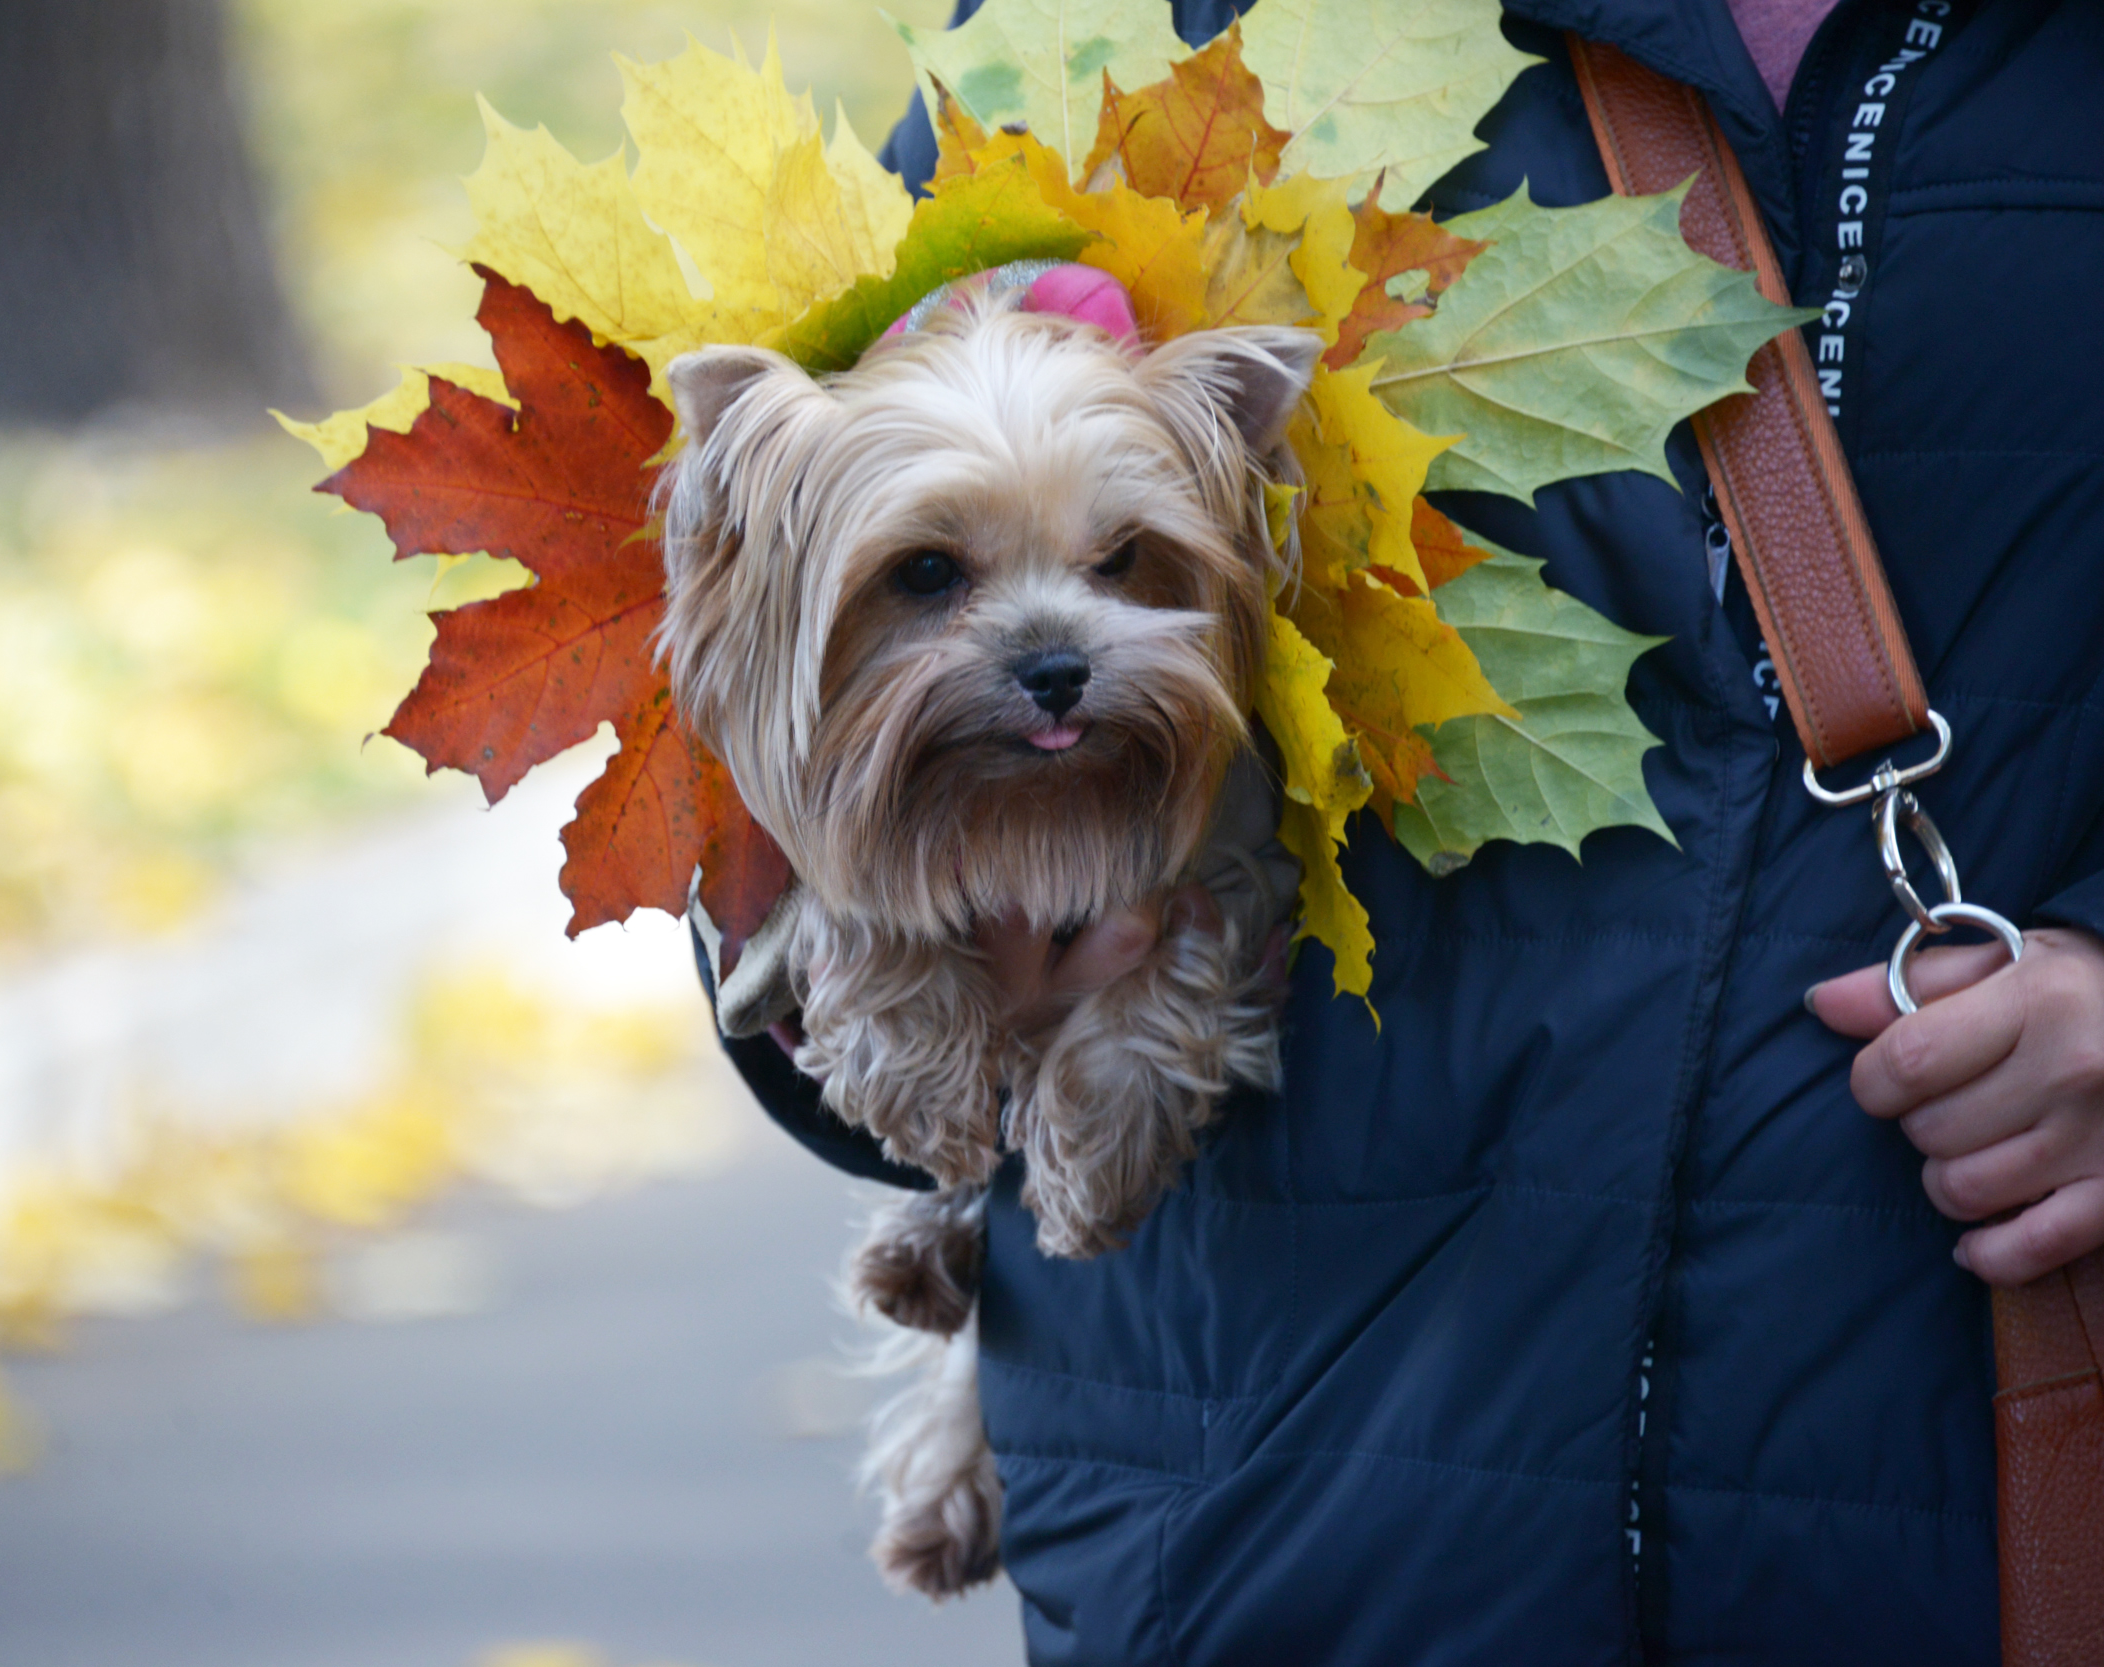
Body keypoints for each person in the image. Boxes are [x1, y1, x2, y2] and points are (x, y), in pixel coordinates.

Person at [704, 0, 2104, 1659]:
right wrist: (878, 942)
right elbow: (744, 675)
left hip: (1971, 1492)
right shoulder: (1147, 25)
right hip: (1272, 1516)